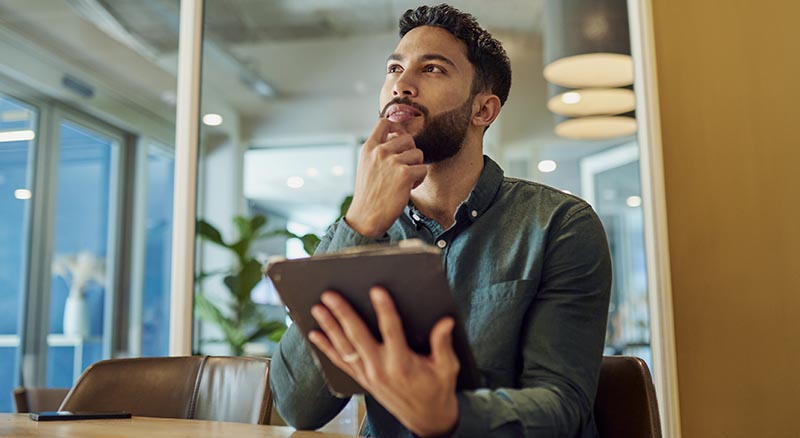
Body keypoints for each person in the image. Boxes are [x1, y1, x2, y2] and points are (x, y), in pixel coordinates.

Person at [269, 4, 611, 437]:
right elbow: (299, 407)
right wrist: (360, 225)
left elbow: (562, 407)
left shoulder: (560, 224)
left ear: (483, 111)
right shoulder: (355, 230)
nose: (401, 86)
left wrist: (448, 417)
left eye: (431, 69)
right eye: (394, 68)